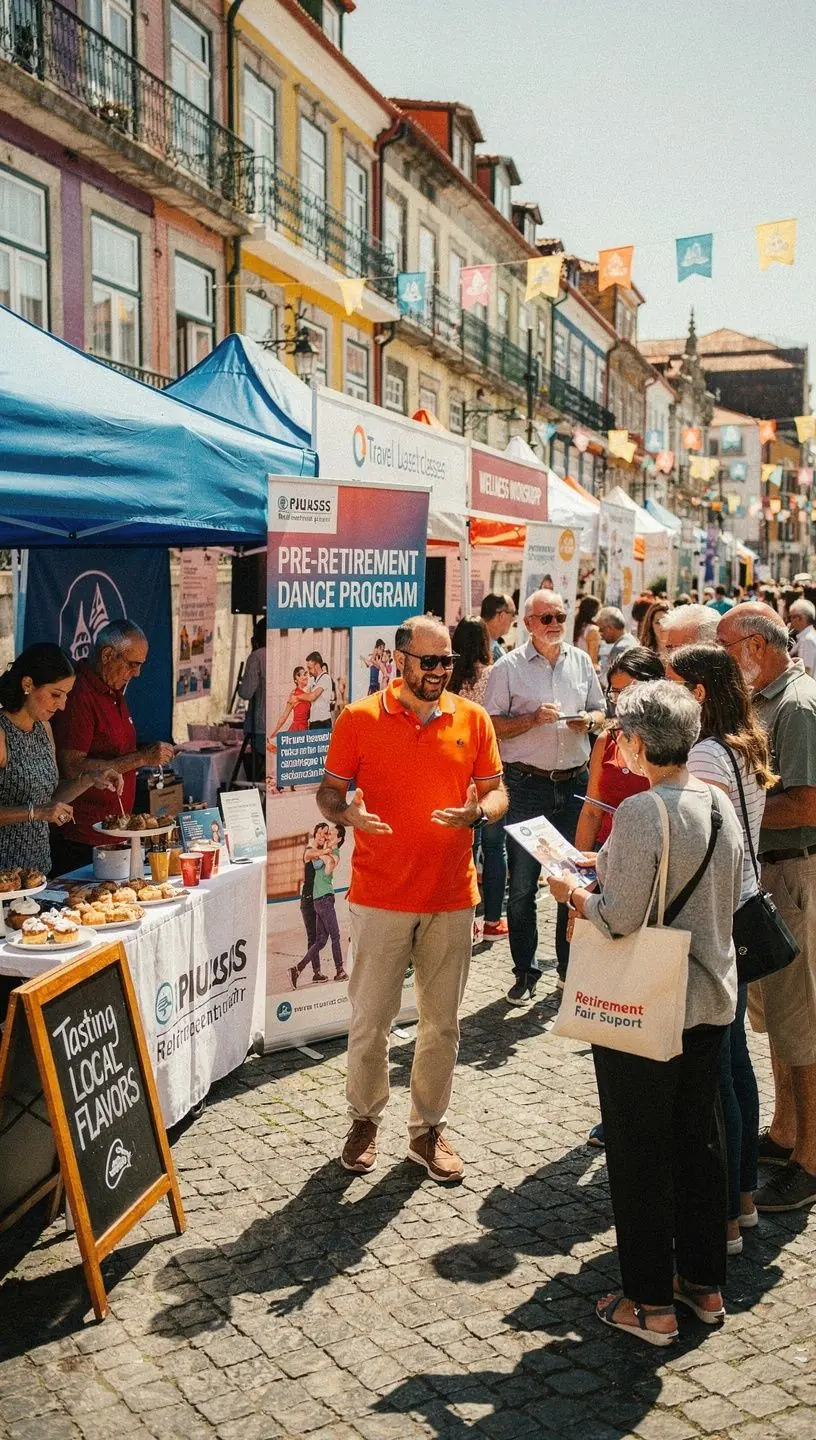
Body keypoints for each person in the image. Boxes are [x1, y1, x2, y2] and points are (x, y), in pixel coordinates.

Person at [548, 680, 743, 1343]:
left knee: (638, 1151)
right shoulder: (716, 801)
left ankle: (649, 1304)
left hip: (651, 1003)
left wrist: (571, 894)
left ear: (636, 739)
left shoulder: (641, 811)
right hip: (711, 998)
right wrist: (596, 867)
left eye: (618, 737)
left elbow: (619, 916)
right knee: (698, 1144)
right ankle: (704, 1285)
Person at [317, 615, 506, 1182]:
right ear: (400, 660)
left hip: (451, 895)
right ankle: (365, 1120)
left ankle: (427, 1130)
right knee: (371, 1021)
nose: (439, 672)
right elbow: (329, 792)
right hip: (380, 896)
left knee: (441, 1023)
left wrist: (478, 812)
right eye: (429, 662)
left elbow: (496, 793)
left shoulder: (472, 719)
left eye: (447, 661)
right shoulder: (359, 718)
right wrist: (345, 813)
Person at [668, 643, 777, 1251]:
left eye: (674, 681)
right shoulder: (741, 739)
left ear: (699, 692)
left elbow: (696, 840)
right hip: (741, 904)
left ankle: (727, 1215)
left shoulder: (708, 753)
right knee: (734, 1061)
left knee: (717, 1069)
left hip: (716, 915)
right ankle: (742, 1199)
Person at [717, 602, 816, 1210]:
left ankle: (810, 1158)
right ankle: (786, 1132)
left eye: (728, 649)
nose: (728, 662)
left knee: (801, 1021)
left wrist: (736, 813)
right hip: (772, 873)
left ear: (756, 646)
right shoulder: (769, 699)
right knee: (779, 1018)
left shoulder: (797, 706)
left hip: (793, 872)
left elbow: (806, 804)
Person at [485, 589, 605, 1004]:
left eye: (560, 615)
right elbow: (493, 726)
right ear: (529, 623)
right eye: (546, 617)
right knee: (521, 885)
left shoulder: (581, 661)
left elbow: (600, 711)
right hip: (526, 785)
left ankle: (568, 968)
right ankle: (525, 971)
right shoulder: (508, 668)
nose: (555, 623)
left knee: (572, 879)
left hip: (573, 784)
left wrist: (588, 721)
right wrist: (533, 720)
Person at [574, 645, 665, 1147]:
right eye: (614, 692)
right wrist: (571, 874)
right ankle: (615, 1110)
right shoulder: (608, 739)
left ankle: (648, 1110)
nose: (618, 702)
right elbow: (591, 809)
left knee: (648, 994)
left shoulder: (669, 744)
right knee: (604, 1000)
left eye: (627, 692)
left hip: (653, 878)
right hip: (601, 876)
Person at [51, 620, 175, 874]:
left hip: (111, 831)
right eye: (133, 664)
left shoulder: (111, 688)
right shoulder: (79, 695)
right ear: (107, 655)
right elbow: (71, 766)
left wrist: (143, 752)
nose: (137, 673)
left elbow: (114, 749)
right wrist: (142, 758)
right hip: (82, 836)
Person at [0, 645, 123, 878]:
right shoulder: (2, 733)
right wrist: (35, 812)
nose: (63, 705)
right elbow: (42, 809)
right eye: (56, 694)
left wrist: (89, 779)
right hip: (5, 880)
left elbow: (51, 798)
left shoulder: (44, 728)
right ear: (28, 685)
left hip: (37, 875)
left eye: (66, 695)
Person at [450, 617, 507, 939]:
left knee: (465, 846)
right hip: (489, 765)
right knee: (495, 847)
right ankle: (492, 921)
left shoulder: (447, 678)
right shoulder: (493, 674)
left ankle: (465, 920)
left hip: (457, 766)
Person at [290, 824, 347, 988]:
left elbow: (329, 868)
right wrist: (325, 852)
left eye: (329, 833)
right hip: (318, 899)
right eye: (323, 833)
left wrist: (327, 852)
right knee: (332, 936)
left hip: (319, 898)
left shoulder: (333, 853)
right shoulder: (313, 849)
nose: (326, 836)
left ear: (339, 839)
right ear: (315, 834)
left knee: (321, 939)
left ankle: (298, 969)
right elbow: (313, 857)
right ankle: (339, 970)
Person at [238, 618, 266, 781]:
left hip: (261, 727)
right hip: (284, 724)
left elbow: (245, 692)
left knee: (258, 775)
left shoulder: (256, 656)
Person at [270, 666, 319, 737]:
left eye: (306, 674)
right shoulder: (294, 694)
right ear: (296, 680)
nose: (306, 677)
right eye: (304, 675)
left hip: (306, 728)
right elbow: (284, 716)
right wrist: (274, 732)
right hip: (297, 730)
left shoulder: (307, 693)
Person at [596, 607, 636, 689]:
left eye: (601, 629)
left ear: (610, 628)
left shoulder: (620, 648)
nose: (599, 633)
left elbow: (606, 682)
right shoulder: (631, 640)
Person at [481, 594, 517, 662]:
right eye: (513, 614)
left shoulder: (495, 646)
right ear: (502, 616)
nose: (514, 619)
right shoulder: (477, 646)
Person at [789, 599, 816, 678]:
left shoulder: (807, 639)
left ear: (799, 618)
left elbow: (806, 670)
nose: (790, 621)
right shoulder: (809, 635)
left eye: (792, 617)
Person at [306, 652, 333, 729]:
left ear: (317, 665)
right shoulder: (312, 680)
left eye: (310, 668)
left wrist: (297, 696)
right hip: (313, 721)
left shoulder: (325, 678)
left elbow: (313, 696)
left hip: (323, 722)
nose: (309, 671)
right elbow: (306, 694)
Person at [573, 596, 601, 672]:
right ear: (594, 611)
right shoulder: (592, 630)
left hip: (575, 667)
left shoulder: (576, 626)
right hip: (586, 670)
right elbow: (593, 659)